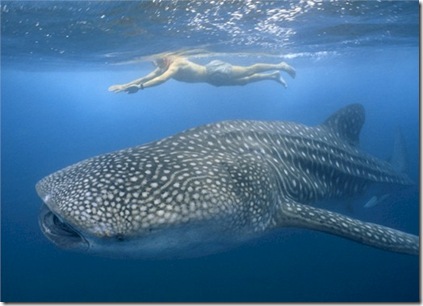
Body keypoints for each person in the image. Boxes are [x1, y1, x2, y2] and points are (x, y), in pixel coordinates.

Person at [108, 54, 296, 94]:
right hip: (210, 80)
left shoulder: (176, 64)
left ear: (164, 58)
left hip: (215, 70)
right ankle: (273, 76)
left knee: (248, 70)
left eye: (156, 61)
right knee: (243, 82)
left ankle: (280, 64)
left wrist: (140, 88)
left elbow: (162, 79)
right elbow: (147, 77)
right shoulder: (163, 66)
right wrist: (124, 86)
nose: (155, 65)